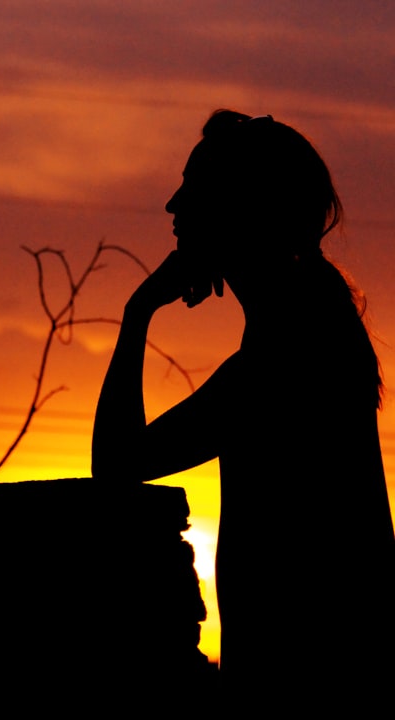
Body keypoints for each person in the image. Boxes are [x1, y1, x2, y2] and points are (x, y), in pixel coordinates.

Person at [92, 110, 395, 705]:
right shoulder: (308, 327)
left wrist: (138, 313)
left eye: (195, 188)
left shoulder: (288, 352)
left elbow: (118, 461)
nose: (172, 207)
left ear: (243, 208)